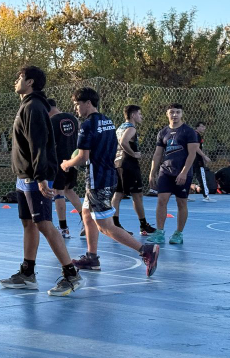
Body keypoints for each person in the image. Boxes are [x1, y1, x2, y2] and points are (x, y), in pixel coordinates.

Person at [0, 66, 82, 297]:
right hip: (24, 177)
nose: (17, 80)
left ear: (31, 82)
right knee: (29, 223)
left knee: (44, 223)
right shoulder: (27, 105)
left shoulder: (35, 107)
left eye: (20, 77)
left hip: (36, 177)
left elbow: (39, 144)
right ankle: (27, 273)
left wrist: (42, 178)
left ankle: (71, 274)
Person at [61, 88, 159, 276]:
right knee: (87, 215)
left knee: (105, 226)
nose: (76, 108)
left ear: (87, 103)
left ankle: (146, 250)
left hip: (98, 179)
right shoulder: (107, 121)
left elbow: (82, 157)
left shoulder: (87, 125)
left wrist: (67, 164)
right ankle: (92, 257)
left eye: (77, 104)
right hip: (108, 174)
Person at [146, 104, 200, 245]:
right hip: (166, 171)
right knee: (161, 200)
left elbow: (192, 154)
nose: (174, 115)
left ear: (182, 114)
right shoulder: (163, 132)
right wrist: (152, 172)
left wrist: (184, 172)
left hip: (182, 172)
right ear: (167, 114)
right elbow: (158, 154)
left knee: (181, 202)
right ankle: (160, 232)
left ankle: (178, 233)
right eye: (172, 112)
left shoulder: (188, 132)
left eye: (177, 112)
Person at [113, 105, 157, 236]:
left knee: (118, 193)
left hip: (118, 162)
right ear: (133, 115)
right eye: (139, 113)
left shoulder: (120, 127)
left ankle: (115, 223)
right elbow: (123, 142)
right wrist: (133, 154)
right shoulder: (131, 128)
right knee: (137, 195)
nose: (141, 116)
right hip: (128, 164)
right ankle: (143, 225)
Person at [46, 99, 82, 239]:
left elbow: (49, 143)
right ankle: (86, 220)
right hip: (74, 159)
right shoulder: (72, 118)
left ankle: (63, 228)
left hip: (59, 162)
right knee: (69, 190)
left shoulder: (52, 122)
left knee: (58, 192)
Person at [192, 121, 216, 202]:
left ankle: (185, 195)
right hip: (197, 159)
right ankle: (206, 196)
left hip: (192, 158)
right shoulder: (196, 135)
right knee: (202, 176)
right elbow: (196, 147)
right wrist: (204, 156)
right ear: (197, 127)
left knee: (190, 176)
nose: (203, 128)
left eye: (204, 127)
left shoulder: (193, 134)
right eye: (202, 126)